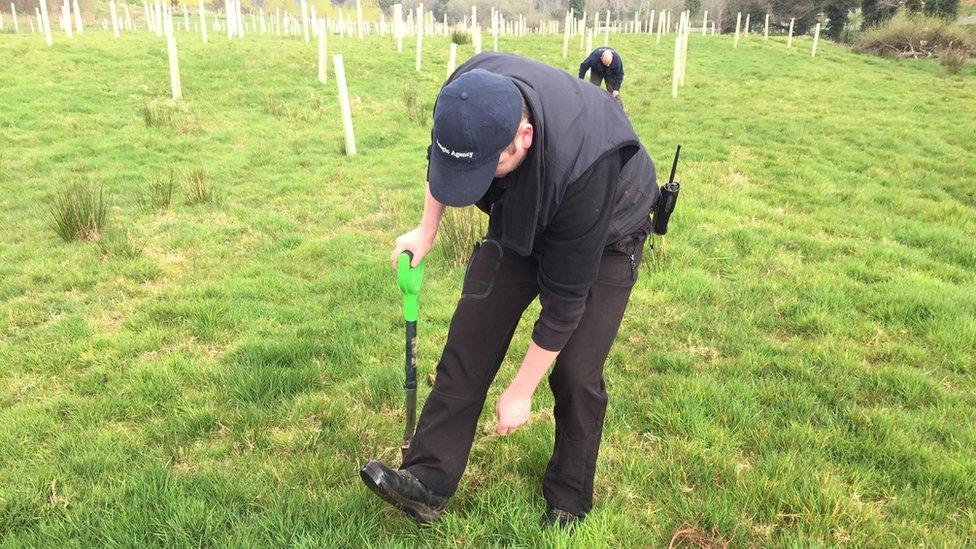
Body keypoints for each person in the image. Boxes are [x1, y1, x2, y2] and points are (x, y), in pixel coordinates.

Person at [361, 52, 658, 529]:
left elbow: (563, 305)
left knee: (577, 372)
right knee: (470, 339)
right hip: (525, 206)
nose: (475, 181)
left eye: (487, 167)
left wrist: (520, 391)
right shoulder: (466, 95)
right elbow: (444, 161)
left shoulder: (586, 165)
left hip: (606, 232)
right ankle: (427, 483)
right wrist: (426, 231)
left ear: (524, 136)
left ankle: (568, 497)